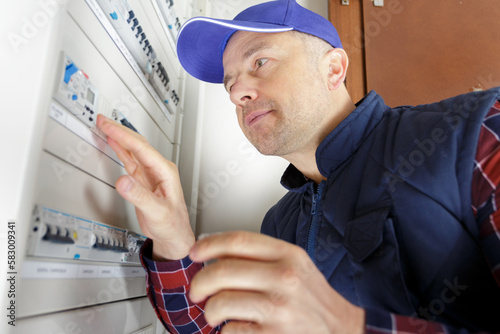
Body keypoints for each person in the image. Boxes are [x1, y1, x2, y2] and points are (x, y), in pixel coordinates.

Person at [96, 0, 500, 333]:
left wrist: (347, 326)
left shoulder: (476, 130)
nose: (237, 91)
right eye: (229, 82)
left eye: (260, 63)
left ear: (333, 68)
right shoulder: (280, 225)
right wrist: (174, 242)